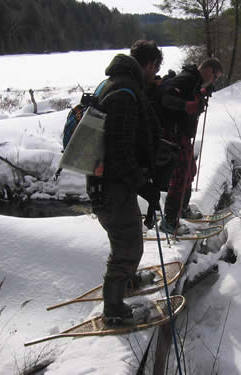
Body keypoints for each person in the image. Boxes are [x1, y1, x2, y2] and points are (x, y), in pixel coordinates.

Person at [86, 40, 163, 326]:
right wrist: (144, 185)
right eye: (155, 68)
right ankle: (114, 311)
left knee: (125, 239)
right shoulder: (125, 94)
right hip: (111, 185)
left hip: (107, 182)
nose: (156, 75)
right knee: (128, 246)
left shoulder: (117, 85)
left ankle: (127, 284)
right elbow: (119, 152)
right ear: (149, 64)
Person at [157, 58, 223, 235]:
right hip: (174, 136)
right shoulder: (187, 78)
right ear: (209, 71)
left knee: (190, 171)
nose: (214, 80)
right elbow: (167, 99)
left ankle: (182, 209)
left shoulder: (195, 81)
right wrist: (188, 105)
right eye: (215, 77)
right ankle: (169, 221)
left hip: (183, 135)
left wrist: (202, 92)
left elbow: (189, 95)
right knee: (180, 176)